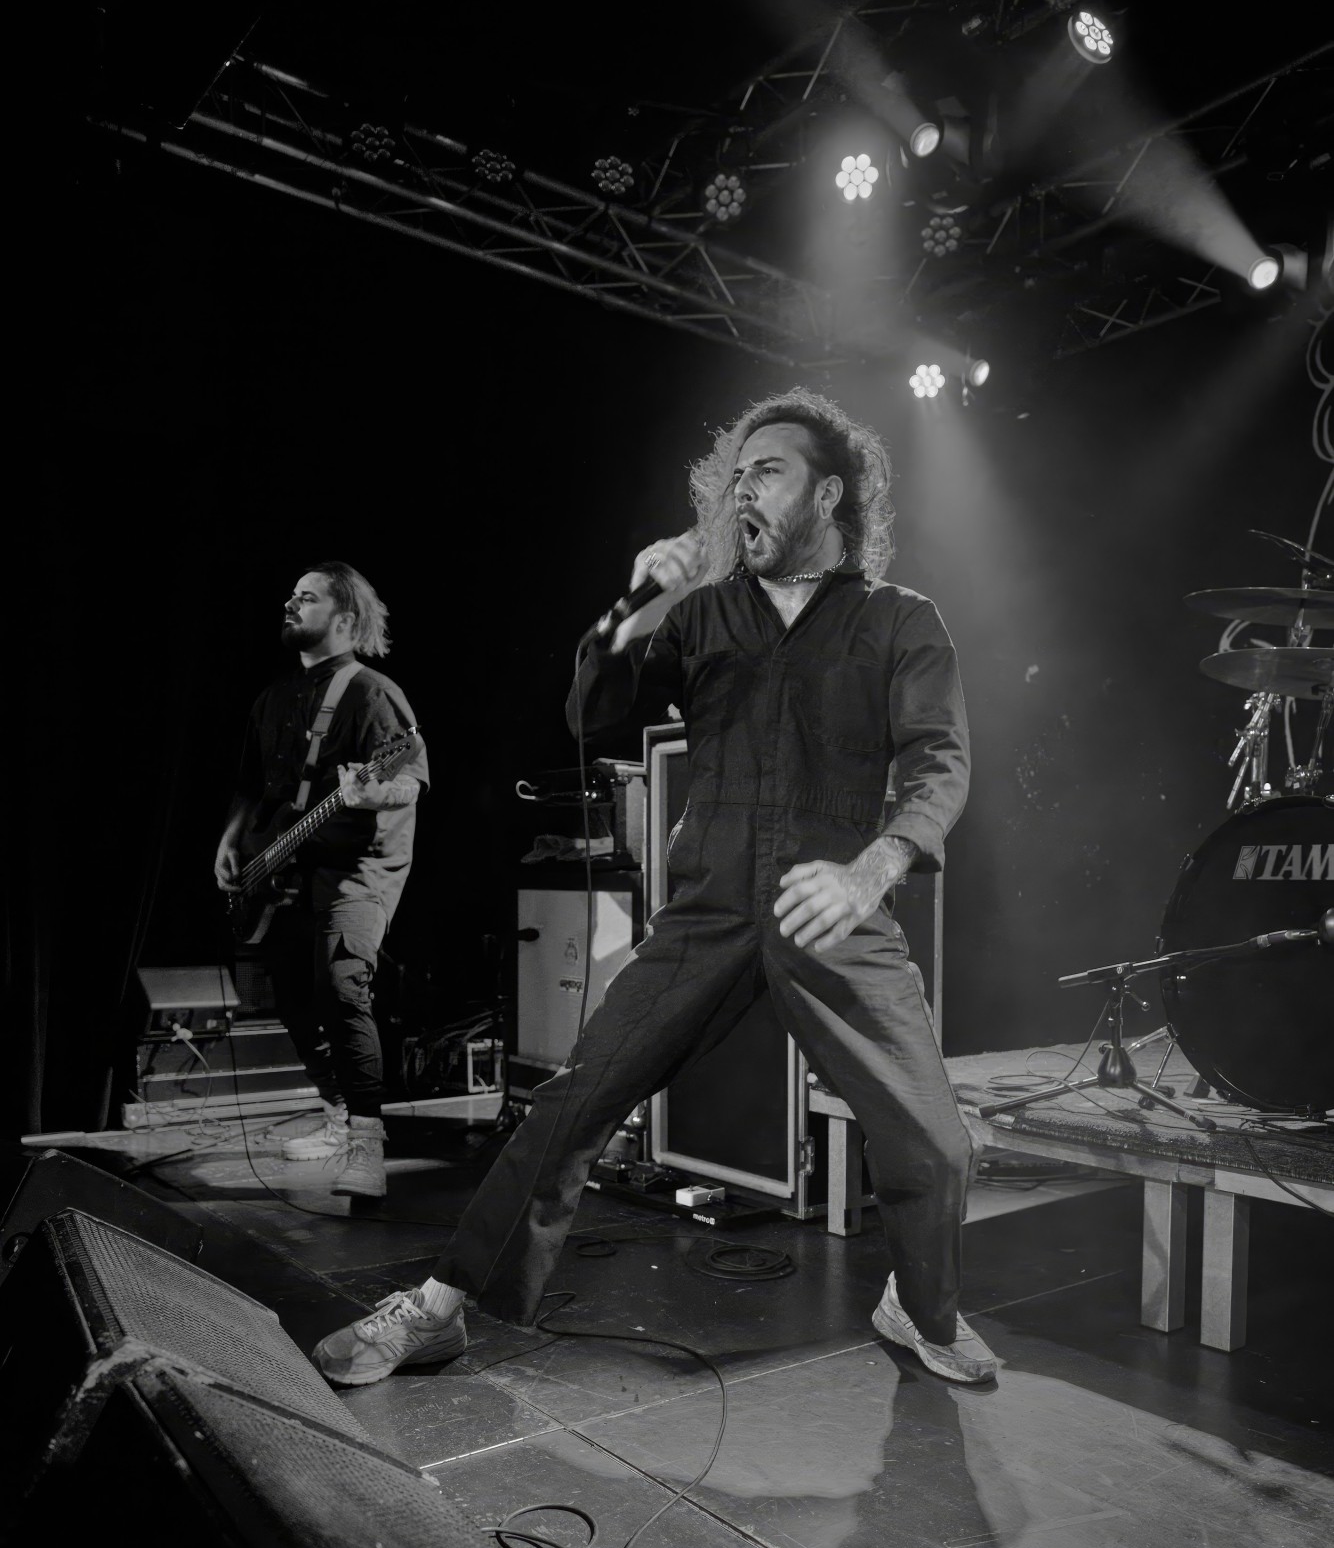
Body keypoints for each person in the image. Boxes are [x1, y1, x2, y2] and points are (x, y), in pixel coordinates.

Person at [313, 389, 991, 1381]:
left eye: (767, 471)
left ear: (829, 492)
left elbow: (939, 764)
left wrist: (872, 868)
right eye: (735, 476)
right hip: (709, 910)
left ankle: (920, 1309)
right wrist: (628, 612)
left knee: (934, 1142)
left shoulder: (898, 621)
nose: (742, 490)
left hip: (834, 908)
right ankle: (440, 1305)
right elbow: (593, 710)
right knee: (572, 1102)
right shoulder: (705, 613)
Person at [214, 561, 429, 1199]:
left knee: (342, 985)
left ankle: (367, 1143)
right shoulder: (273, 699)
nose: (290, 603)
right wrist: (231, 841)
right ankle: (337, 1115)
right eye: (291, 595)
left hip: (359, 866)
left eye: (306, 598)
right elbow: (251, 786)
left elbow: (409, 779)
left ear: (344, 618)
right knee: (289, 995)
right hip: (287, 865)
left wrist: (371, 793)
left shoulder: (371, 693)